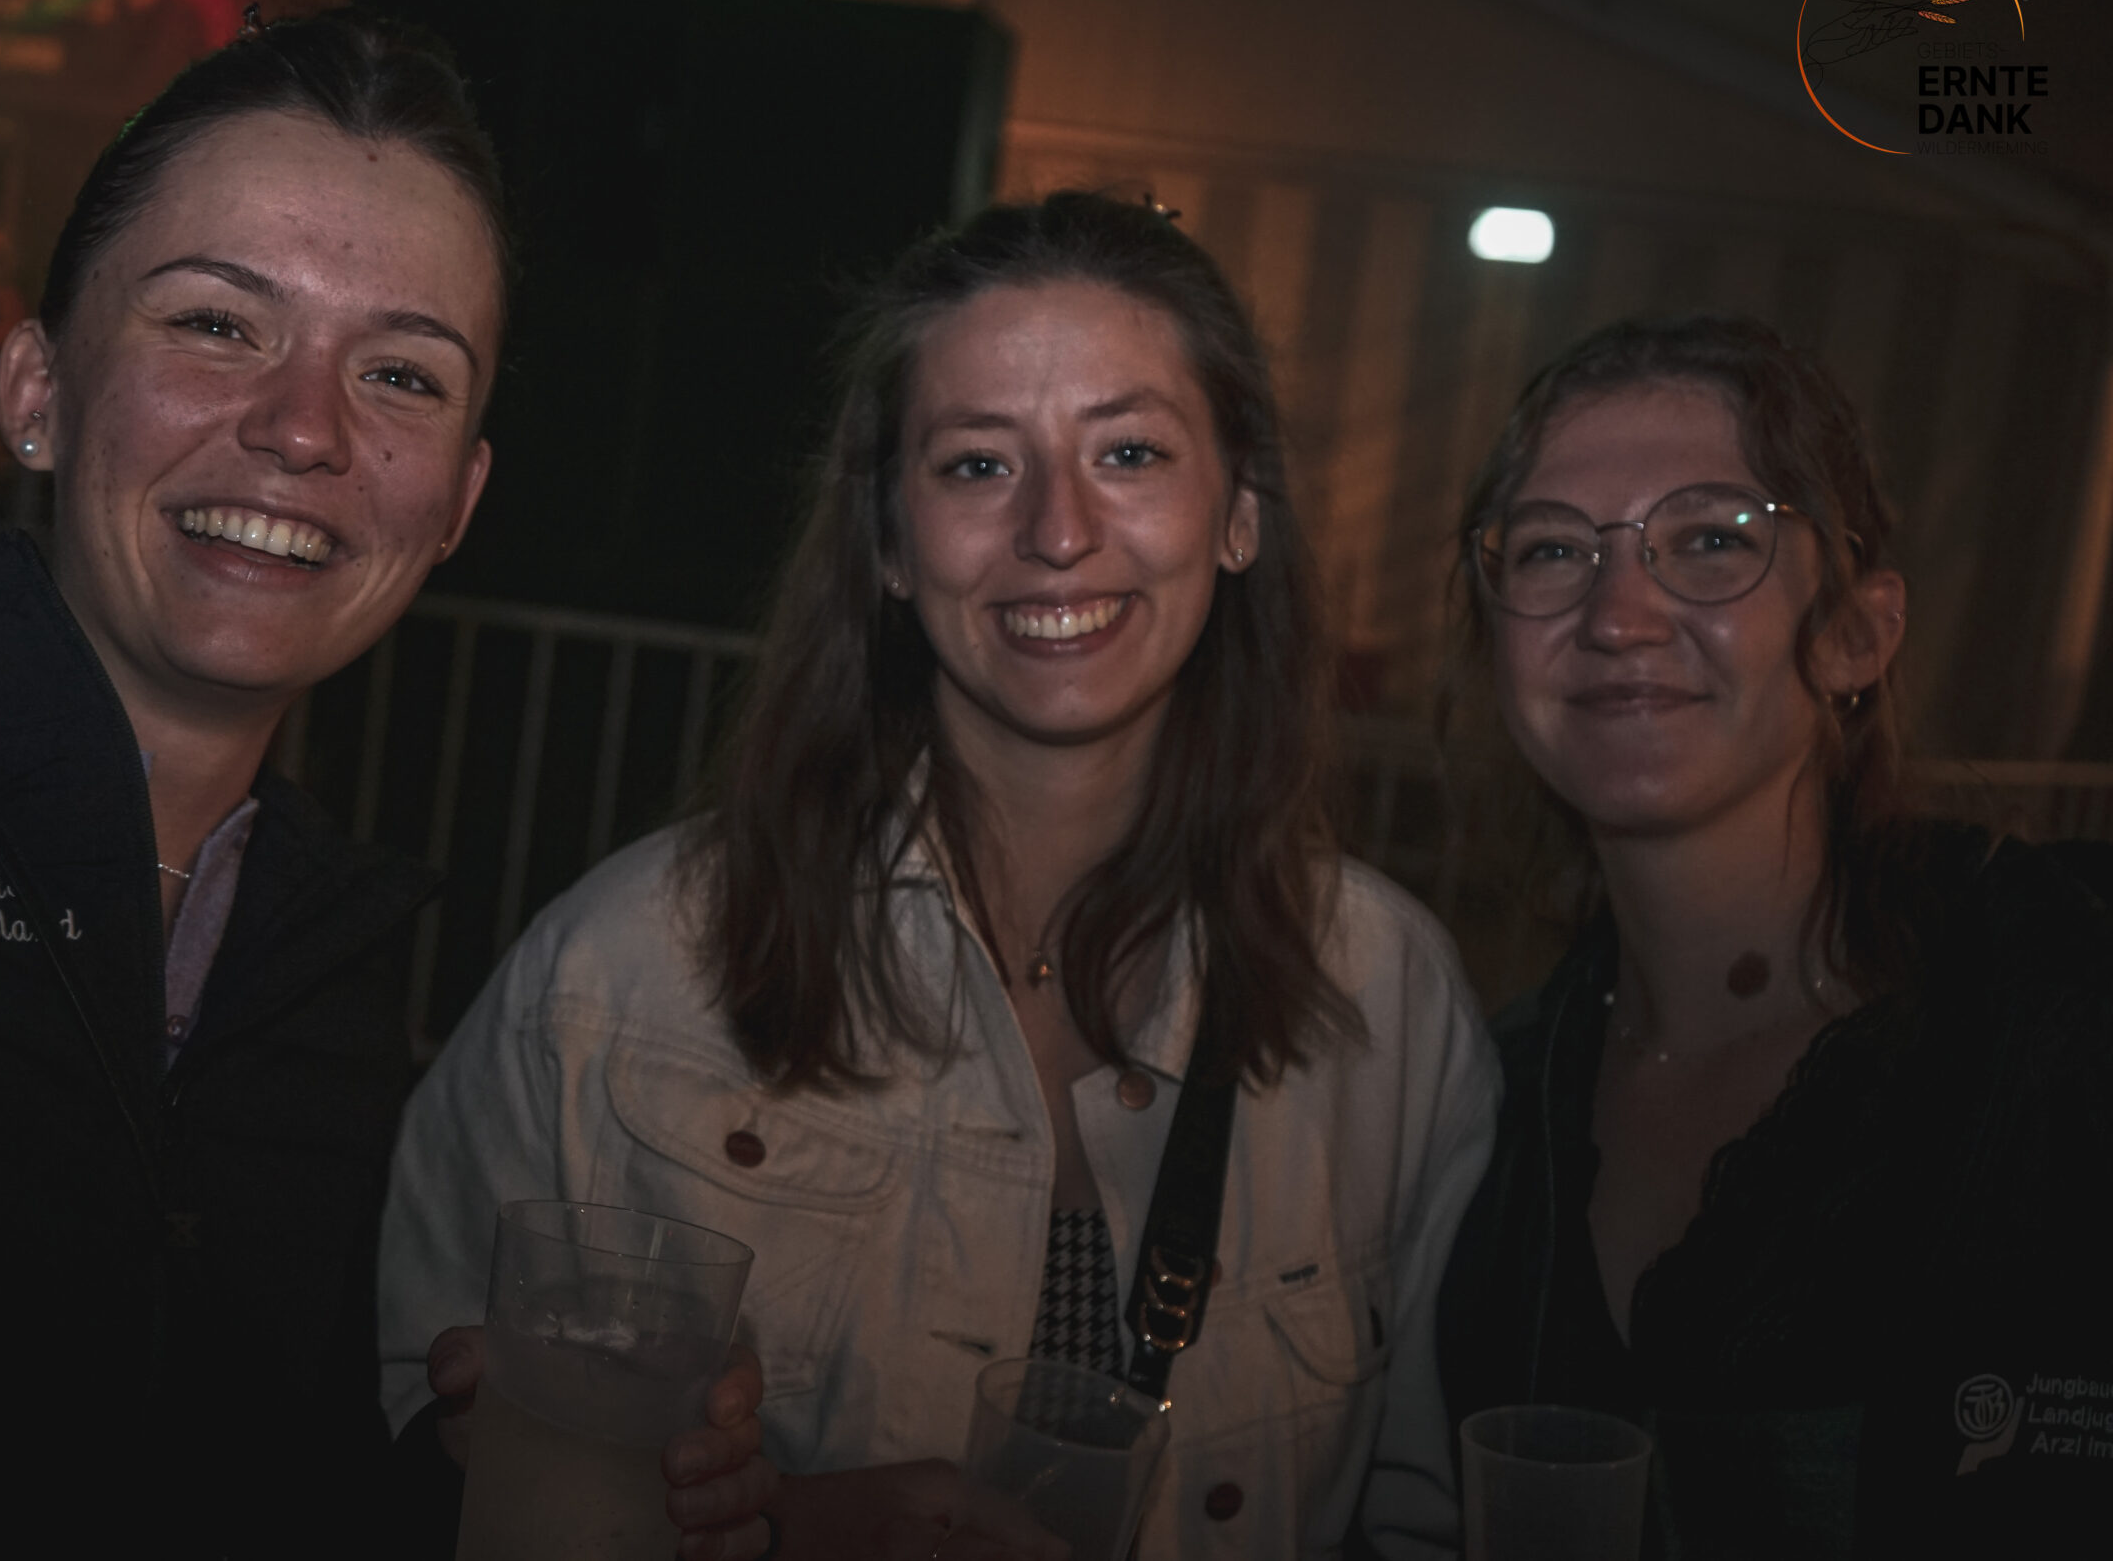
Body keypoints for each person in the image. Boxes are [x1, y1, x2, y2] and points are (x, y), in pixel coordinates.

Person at [0, 8, 769, 1557]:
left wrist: (456, 1470)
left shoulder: (321, 971)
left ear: (459, 500)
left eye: (402, 373)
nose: (305, 426)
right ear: (38, 389)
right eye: (216, 322)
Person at [379, 192, 1502, 1559]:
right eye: (977, 464)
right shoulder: (623, 971)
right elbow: (405, 1434)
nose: (1058, 530)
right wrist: (763, 1529)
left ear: (1239, 514)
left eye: (1130, 451)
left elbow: (1434, 1520)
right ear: (889, 543)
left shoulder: (1388, 997)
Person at [1434, 315, 2111, 1557]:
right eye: (1551, 550)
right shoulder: (1494, 1096)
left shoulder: (2048, 1011)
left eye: (1710, 540)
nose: (1618, 614)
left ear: (1856, 633)